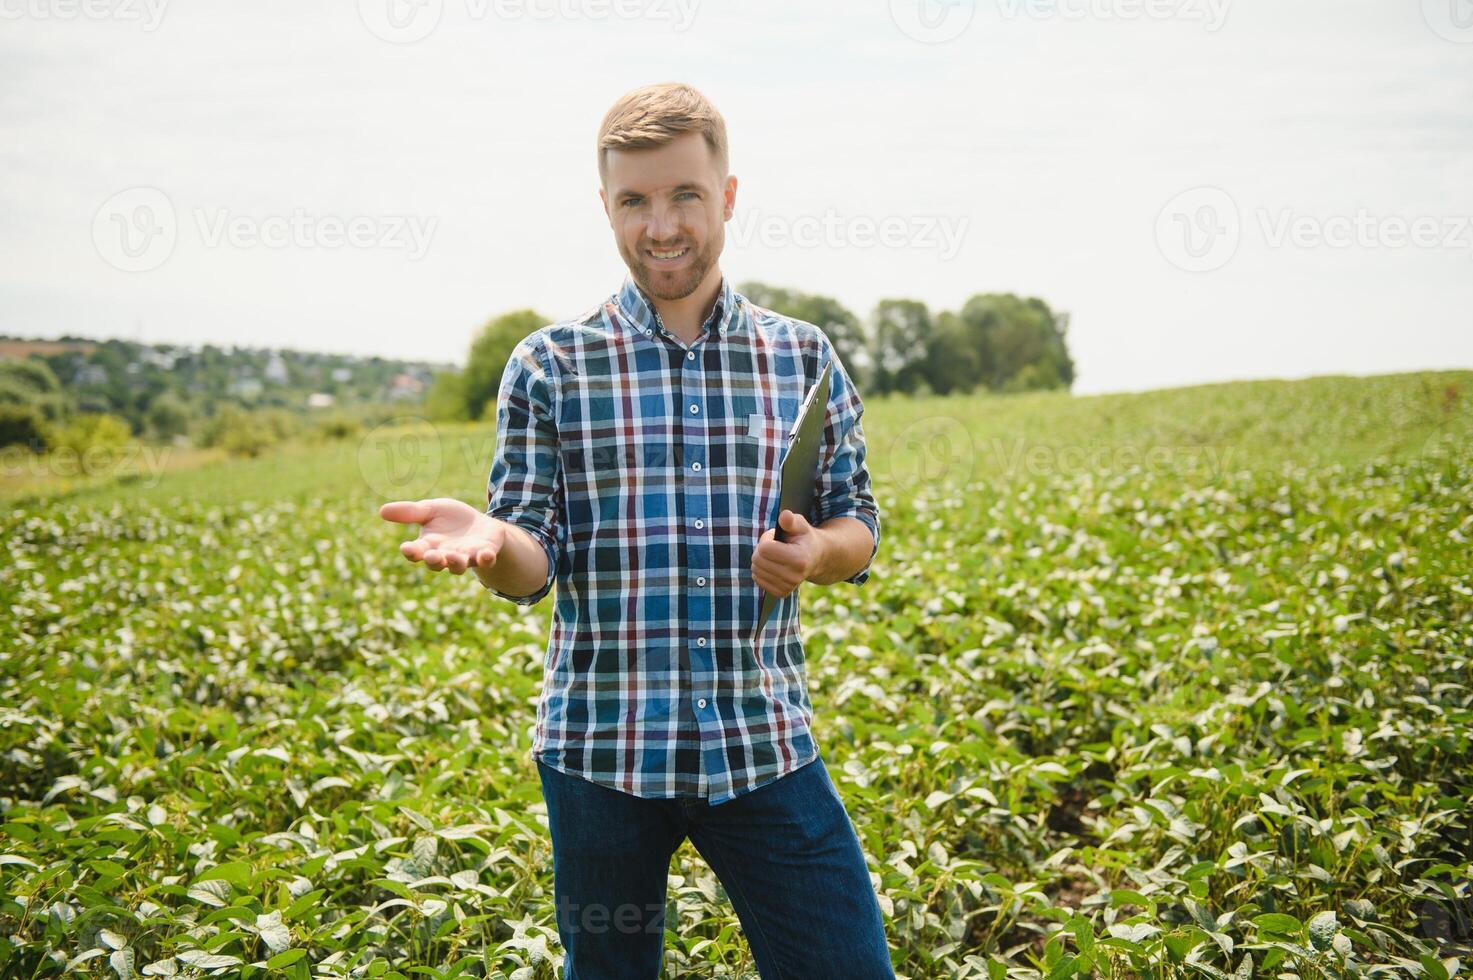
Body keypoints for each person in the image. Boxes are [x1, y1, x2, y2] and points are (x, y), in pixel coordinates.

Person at [379, 81, 891, 980]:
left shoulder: (800, 356)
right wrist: (495, 542)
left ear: (726, 196)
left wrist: (814, 553)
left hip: (760, 743)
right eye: (634, 201)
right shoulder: (551, 365)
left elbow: (858, 523)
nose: (661, 226)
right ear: (606, 206)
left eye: (684, 195)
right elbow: (534, 556)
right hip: (600, 756)